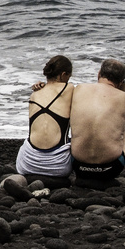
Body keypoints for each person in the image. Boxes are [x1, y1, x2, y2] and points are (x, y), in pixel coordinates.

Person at [67, 57, 125, 188]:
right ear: (121, 82)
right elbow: (123, 119)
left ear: (99, 73)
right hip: (110, 168)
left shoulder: (78, 89)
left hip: (77, 165)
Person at [17, 54, 75, 187]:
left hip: (27, 163)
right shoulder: (69, 88)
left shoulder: (35, 94)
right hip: (58, 166)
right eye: (69, 77)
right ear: (63, 74)